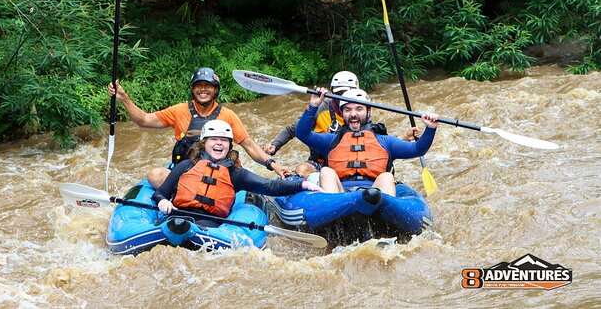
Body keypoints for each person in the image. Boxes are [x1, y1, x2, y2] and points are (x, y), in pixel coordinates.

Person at [108, 67, 291, 188]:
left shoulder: (228, 115)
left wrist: (273, 165)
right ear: (192, 89)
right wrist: (123, 97)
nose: (203, 89)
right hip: (188, 173)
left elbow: (250, 146)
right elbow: (144, 120)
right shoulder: (179, 110)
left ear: (215, 90)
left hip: (220, 175)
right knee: (156, 175)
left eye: (208, 86)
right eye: (198, 86)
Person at [263, 71, 418, 180]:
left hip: (350, 164)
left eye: (348, 93)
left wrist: (404, 138)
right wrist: (275, 145)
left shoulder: (360, 113)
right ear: (333, 92)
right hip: (321, 162)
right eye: (340, 93)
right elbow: (295, 130)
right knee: (302, 170)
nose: (344, 98)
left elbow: (379, 146)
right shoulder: (320, 108)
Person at [154, 120, 324, 218]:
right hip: (178, 218)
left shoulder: (235, 173)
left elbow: (269, 186)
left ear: (229, 145)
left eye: (224, 140)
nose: (219, 143)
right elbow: (161, 192)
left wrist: (302, 185)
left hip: (211, 226)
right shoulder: (186, 166)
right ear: (204, 143)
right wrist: (162, 201)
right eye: (214, 139)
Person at [295, 87, 439, 196]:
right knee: (326, 171)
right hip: (340, 193)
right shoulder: (330, 140)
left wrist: (430, 128)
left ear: (368, 112)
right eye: (348, 110)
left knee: (387, 176)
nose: (353, 114)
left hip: (376, 193)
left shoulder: (385, 141)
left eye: (359, 109)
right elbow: (302, 134)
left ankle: (387, 222)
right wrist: (313, 105)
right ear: (342, 113)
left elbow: (417, 149)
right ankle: (331, 220)